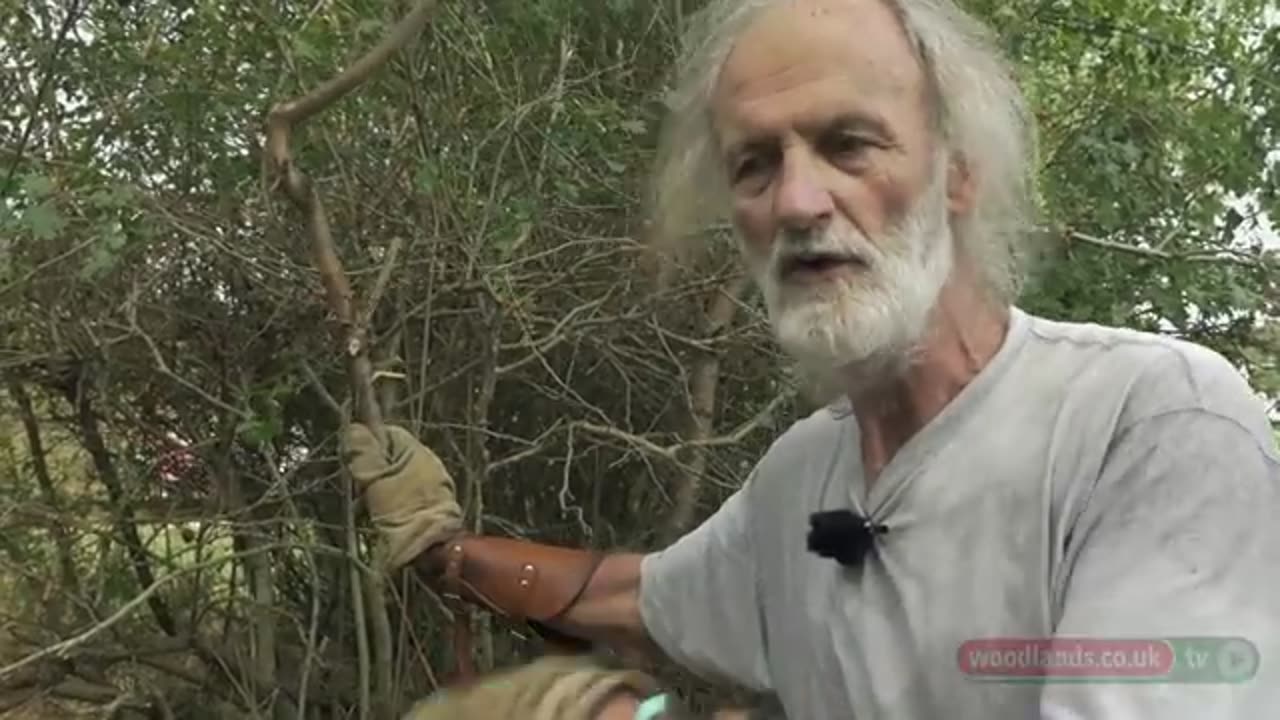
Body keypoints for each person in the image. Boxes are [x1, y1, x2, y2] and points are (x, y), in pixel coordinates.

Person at [343, 0, 1280, 717]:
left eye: (848, 143)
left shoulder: (1149, 424)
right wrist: (443, 548)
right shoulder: (801, 480)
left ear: (957, 171)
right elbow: (628, 596)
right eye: (755, 163)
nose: (797, 201)